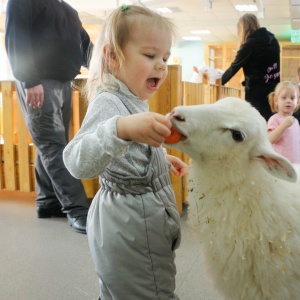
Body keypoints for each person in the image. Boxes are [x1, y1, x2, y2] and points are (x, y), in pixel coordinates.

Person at [63, 4, 188, 300]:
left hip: (140, 218)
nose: (161, 65)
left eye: (165, 58)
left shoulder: (130, 98)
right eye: (150, 55)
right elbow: (76, 160)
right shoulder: (109, 102)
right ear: (112, 56)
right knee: (150, 292)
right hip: (131, 223)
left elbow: (124, 153)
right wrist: (121, 129)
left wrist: (158, 158)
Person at [5, 0, 93, 234]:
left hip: (63, 83)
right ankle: (78, 210)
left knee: (51, 145)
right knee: (54, 146)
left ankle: (47, 202)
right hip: (38, 82)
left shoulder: (67, 10)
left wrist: (104, 66)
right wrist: (29, 79)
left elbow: (84, 46)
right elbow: (16, 38)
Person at [221, 13, 280, 121]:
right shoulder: (273, 41)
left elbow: (234, 67)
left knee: (256, 123)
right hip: (274, 91)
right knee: (272, 122)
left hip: (256, 93)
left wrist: (220, 81)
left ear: (242, 29)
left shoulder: (250, 44)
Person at [267, 81, 300, 163]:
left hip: (295, 163)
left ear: (297, 102)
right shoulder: (274, 119)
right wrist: (284, 125)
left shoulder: (295, 121)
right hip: (280, 165)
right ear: (276, 100)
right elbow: (270, 139)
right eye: (284, 97)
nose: (288, 101)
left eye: (292, 98)